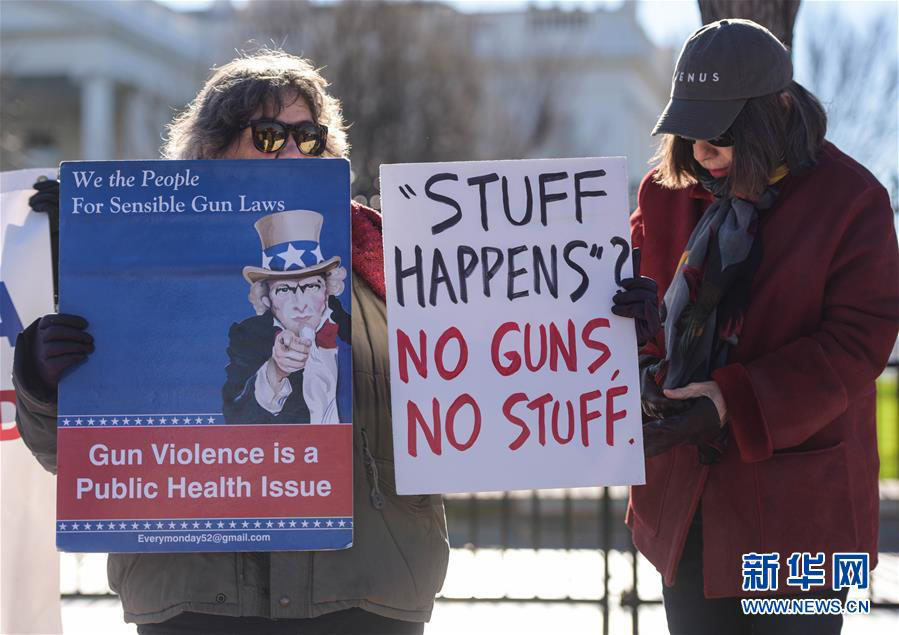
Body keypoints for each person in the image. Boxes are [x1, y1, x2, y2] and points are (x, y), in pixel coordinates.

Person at [14, 50, 449, 634]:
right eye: (270, 136)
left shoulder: (393, 265)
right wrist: (43, 382)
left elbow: (469, 397)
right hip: (195, 594)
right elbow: (72, 457)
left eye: (310, 137)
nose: (294, 151)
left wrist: (603, 311)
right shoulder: (141, 276)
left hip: (365, 593)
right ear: (212, 150)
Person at [612, 19, 899, 635]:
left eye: (719, 133)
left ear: (780, 112)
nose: (699, 153)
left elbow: (857, 344)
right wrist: (630, 329)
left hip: (808, 529)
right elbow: (649, 327)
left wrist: (729, 401)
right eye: (686, 132)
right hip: (687, 508)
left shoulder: (853, 200)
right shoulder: (665, 192)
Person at [223, 209, 351, 425]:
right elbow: (234, 416)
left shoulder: (352, 329)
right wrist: (276, 371)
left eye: (311, 286)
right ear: (267, 299)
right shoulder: (247, 338)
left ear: (327, 290)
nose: (300, 304)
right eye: (284, 290)